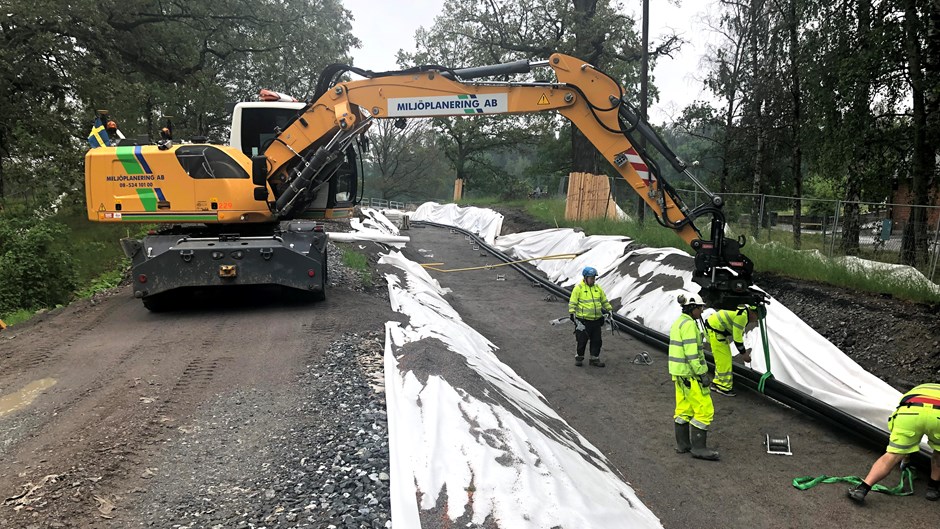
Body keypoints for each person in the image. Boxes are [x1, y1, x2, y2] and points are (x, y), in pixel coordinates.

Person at [847, 383, 940, 503]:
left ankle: (862, 489)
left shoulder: (921, 388)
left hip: (909, 412)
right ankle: (933, 488)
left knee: (892, 455)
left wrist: (905, 458)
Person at [669, 292, 719, 461]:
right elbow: (692, 354)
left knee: (684, 409)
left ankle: (683, 444)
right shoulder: (689, 325)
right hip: (691, 375)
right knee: (704, 410)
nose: (702, 311)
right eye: (700, 308)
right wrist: (701, 373)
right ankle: (699, 448)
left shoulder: (679, 322)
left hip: (680, 374)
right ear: (692, 308)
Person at [704, 304, 759, 397]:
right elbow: (737, 338)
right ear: (753, 313)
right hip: (714, 331)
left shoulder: (743, 311)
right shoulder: (742, 317)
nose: (756, 320)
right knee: (724, 360)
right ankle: (723, 386)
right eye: (757, 317)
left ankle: (717, 382)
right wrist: (744, 354)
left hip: (716, 329)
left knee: (723, 359)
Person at [568, 266, 613, 367]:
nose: (593, 280)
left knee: (597, 340)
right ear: (585, 277)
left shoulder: (597, 289)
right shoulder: (578, 288)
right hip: (583, 321)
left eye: (594, 278)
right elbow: (573, 302)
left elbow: (604, 300)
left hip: (596, 320)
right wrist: (572, 313)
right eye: (591, 278)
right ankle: (579, 357)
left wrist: (609, 309)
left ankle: (594, 359)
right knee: (582, 340)